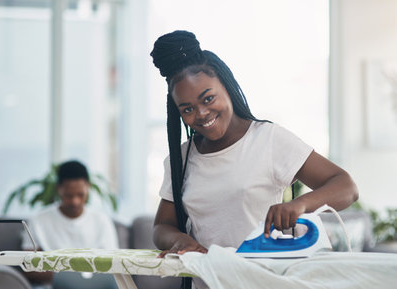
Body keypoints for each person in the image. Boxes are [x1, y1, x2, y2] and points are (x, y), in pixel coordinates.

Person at [150, 30, 359, 289]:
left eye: (208, 98)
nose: (202, 114)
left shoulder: (268, 140)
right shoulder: (181, 158)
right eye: (188, 109)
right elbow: (162, 225)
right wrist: (178, 240)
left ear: (226, 85)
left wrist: (299, 205)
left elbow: (346, 186)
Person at [21, 160, 119, 288]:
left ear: (88, 187)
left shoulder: (102, 221)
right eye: (69, 195)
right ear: (58, 189)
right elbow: (29, 266)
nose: (75, 201)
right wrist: (67, 279)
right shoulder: (39, 220)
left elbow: (114, 263)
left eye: (80, 195)